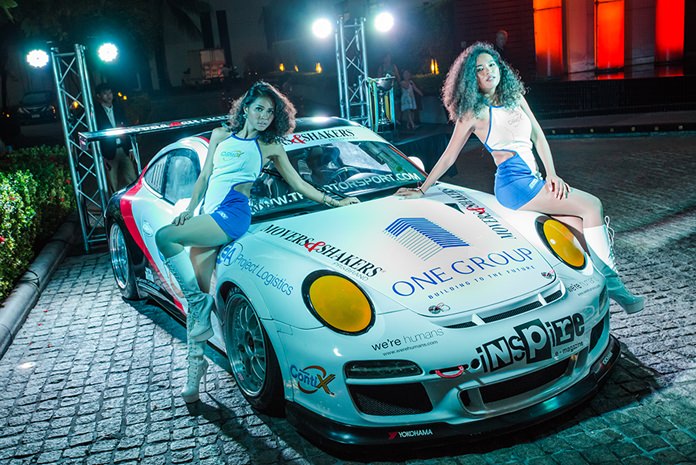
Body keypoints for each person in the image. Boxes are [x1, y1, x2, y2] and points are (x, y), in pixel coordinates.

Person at [395, 42, 645, 314]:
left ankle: (593, 294)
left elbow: (538, 136)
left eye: (492, 65)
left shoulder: (515, 97)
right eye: (480, 69)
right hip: (514, 185)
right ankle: (616, 287)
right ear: (471, 78)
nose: (488, 72)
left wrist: (552, 174)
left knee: (575, 224)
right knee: (591, 205)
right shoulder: (473, 113)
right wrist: (422, 188)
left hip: (536, 179)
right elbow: (448, 156)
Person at [155, 81, 359, 403]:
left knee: (165, 236)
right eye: (259, 109)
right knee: (197, 313)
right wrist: (189, 212)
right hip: (207, 217)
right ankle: (194, 374)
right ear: (246, 109)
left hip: (233, 214)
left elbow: (298, 182)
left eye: (270, 111)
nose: (264, 116)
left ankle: (197, 300)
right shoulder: (220, 136)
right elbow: (205, 177)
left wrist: (332, 201)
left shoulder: (270, 147)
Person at [93, 83, 137, 193]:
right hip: (108, 153)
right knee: (113, 184)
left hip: (123, 149)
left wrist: (130, 148)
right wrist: (101, 156)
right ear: (99, 96)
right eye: (105, 94)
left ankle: (133, 204)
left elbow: (126, 127)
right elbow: (95, 135)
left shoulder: (118, 108)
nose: (109, 96)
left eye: (110, 93)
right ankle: (115, 208)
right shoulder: (96, 113)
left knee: (132, 179)